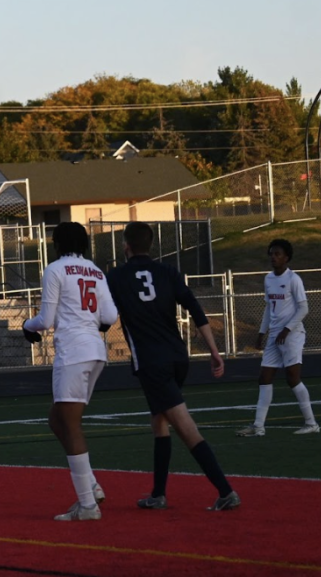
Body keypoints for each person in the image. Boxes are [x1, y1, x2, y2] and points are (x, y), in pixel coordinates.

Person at [106, 222, 240, 512]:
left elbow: (104, 315)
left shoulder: (116, 276)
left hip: (152, 361)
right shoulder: (167, 272)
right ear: (150, 245)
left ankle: (226, 490)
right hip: (178, 357)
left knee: (185, 427)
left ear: (126, 246)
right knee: (160, 423)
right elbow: (195, 308)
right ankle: (158, 494)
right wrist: (214, 350)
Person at [22, 222, 118, 522]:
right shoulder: (95, 270)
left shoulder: (55, 269)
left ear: (57, 243)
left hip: (74, 353)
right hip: (95, 352)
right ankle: (89, 484)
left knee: (71, 424)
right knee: (57, 419)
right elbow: (110, 316)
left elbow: (46, 319)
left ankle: (88, 505)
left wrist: (27, 326)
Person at [237, 239, 320, 437]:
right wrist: (261, 333)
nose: (273, 257)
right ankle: (258, 427)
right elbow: (269, 308)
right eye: (271, 254)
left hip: (291, 335)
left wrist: (287, 329)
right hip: (274, 336)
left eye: (277, 254)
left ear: (287, 257)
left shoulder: (294, 279)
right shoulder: (268, 279)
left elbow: (304, 308)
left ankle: (311, 423)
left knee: (292, 378)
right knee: (264, 377)